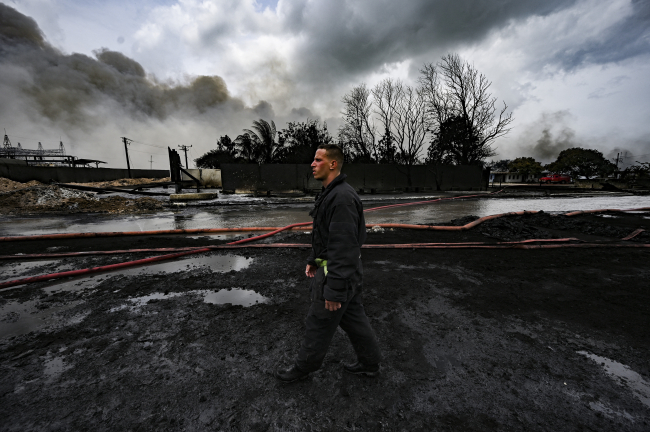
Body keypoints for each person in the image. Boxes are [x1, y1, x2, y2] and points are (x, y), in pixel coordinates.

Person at [275, 144, 382, 382]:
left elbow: (344, 247)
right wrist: (314, 259)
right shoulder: (331, 193)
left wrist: (333, 290)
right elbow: (326, 236)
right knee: (354, 318)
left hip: (338, 274)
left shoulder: (341, 198)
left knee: (319, 322)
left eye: (318, 160)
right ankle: (370, 363)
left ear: (333, 164)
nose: (312, 164)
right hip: (344, 272)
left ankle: (304, 367)